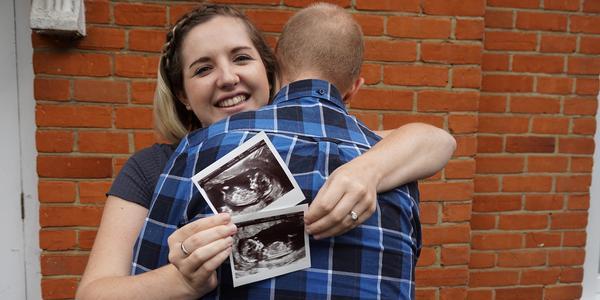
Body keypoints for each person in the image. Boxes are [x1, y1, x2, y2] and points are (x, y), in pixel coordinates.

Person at [76, 3, 455, 299]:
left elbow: (436, 140)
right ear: (182, 95)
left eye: (241, 58)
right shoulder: (158, 165)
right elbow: (94, 293)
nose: (227, 78)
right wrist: (181, 281)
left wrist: (366, 171)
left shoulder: (354, 149)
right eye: (203, 69)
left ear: (272, 72)